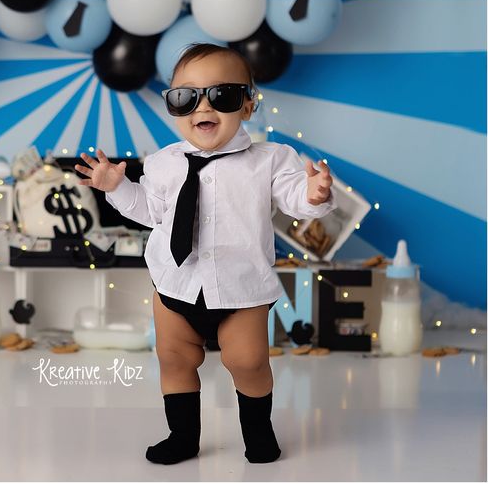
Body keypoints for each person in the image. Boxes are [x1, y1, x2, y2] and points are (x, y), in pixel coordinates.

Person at [74, 43, 336, 465]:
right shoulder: (162, 163)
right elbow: (152, 212)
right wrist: (117, 188)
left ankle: (258, 431)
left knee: (247, 361)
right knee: (173, 358)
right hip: (175, 283)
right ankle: (182, 437)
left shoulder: (270, 159)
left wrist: (314, 193)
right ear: (173, 108)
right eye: (186, 97)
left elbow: (293, 197)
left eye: (223, 95)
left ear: (248, 105)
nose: (203, 107)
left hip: (241, 288)